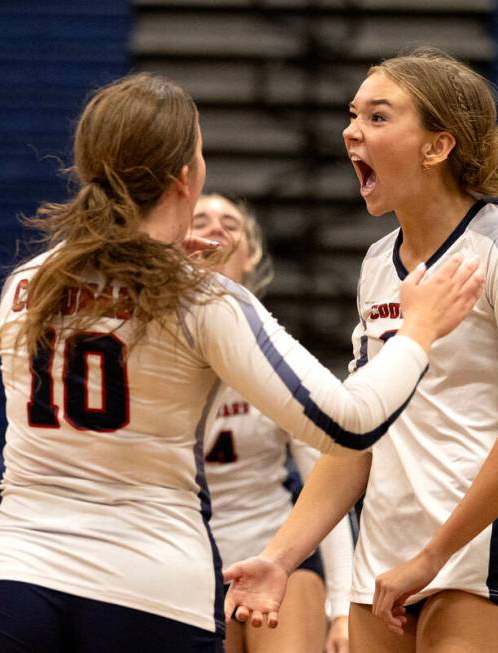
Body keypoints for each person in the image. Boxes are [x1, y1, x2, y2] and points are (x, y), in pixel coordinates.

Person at [0, 72, 486, 653]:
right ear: (185, 177)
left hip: (13, 576)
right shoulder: (201, 298)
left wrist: (149, 255)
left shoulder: (27, 283)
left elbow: (108, 301)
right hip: (147, 585)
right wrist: (418, 331)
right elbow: (349, 423)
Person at [224, 47, 498, 653]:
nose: (351, 131)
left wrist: (434, 555)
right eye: (353, 114)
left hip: (473, 563)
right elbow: (358, 435)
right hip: (381, 563)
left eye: (378, 117)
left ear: (437, 147)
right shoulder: (377, 264)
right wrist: (281, 558)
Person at [192, 193, 353, 653]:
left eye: (231, 223)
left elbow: (330, 477)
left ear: (250, 256)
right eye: (200, 219)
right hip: (188, 562)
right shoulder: (155, 348)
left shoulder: (273, 352)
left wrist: (342, 607)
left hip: (276, 553)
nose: (216, 228)